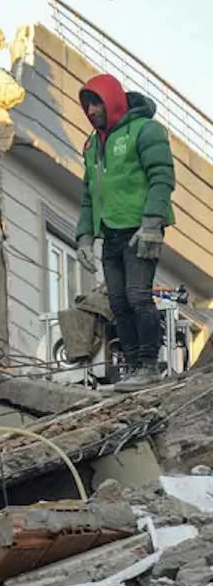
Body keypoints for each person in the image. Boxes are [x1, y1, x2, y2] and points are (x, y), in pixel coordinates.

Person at [74, 74, 176, 393]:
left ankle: (148, 365)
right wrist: (84, 237)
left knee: (138, 297)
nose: (91, 111)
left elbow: (162, 177)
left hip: (140, 230)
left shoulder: (146, 130)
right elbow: (89, 195)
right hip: (111, 232)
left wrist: (152, 224)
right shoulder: (92, 145)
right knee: (117, 303)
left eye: (96, 103)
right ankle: (133, 368)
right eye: (87, 106)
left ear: (113, 100)